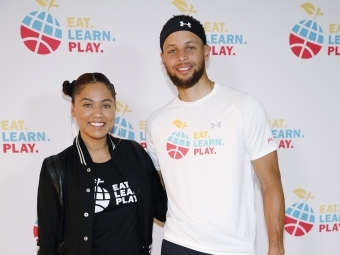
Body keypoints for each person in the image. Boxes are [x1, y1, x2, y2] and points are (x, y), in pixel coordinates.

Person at [146, 15, 285, 255]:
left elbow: (270, 183)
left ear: (206, 51)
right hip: (177, 244)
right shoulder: (157, 122)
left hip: (233, 249)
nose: (182, 57)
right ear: (163, 59)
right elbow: (158, 188)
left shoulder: (243, 107)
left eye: (190, 47)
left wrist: (276, 247)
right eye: (172, 50)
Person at [37, 72, 167, 255]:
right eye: (87, 105)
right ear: (73, 109)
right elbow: (48, 245)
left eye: (106, 105)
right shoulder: (56, 167)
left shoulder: (134, 152)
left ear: (114, 108)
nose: (98, 114)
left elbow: (163, 209)